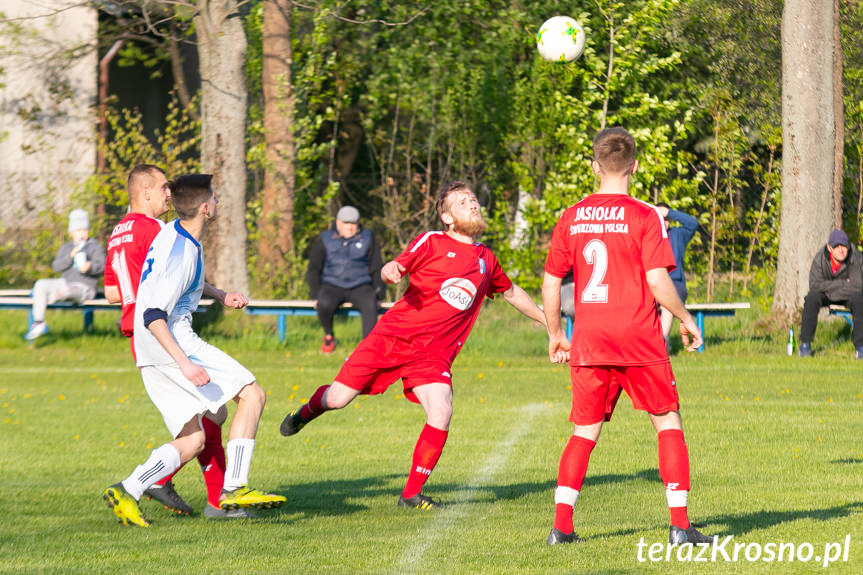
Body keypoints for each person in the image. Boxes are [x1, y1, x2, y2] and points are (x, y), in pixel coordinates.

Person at [280, 181, 548, 509]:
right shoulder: (433, 241)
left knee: (442, 410)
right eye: (463, 203)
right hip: (392, 339)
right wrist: (392, 271)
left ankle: (411, 494)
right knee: (337, 399)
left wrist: (549, 323)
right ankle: (305, 413)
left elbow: (511, 292)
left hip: (432, 355)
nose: (473, 205)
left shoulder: (485, 259)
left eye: (474, 200)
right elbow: (396, 267)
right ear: (447, 217)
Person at [541, 127, 713, 546]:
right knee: (667, 421)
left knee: (585, 432)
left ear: (594, 166)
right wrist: (686, 317)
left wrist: (553, 334)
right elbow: (657, 280)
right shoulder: (643, 214)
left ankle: (561, 528)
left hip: (590, 339)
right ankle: (679, 526)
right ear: (634, 165)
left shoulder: (572, 215)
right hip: (638, 337)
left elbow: (550, 282)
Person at [103, 173, 285, 527]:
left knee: (197, 435)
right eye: (214, 197)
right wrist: (185, 363)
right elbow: (154, 312)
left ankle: (129, 487)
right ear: (205, 208)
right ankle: (233, 488)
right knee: (252, 395)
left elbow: (178, 281)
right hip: (170, 340)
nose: (217, 202)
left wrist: (219, 295)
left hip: (146, 348)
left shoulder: (172, 231)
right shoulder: (181, 248)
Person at [306, 205, 386, 354]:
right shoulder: (325, 239)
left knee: (370, 303)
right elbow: (313, 268)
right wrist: (314, 294)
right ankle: (329, 336)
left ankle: (367, 348)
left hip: (360, 285)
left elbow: (376, 267)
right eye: (346, 223)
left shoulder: (368, 238)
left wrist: (379, 293)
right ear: (338, 223)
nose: (349, 227)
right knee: (323, 303)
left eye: (353, 224)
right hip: (332, 284)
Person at [24, 209, 106, 341]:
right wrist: (70, 256)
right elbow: (56, 267)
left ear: (88, 231)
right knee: (40, 285)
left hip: (85, 287)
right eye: (77, 230)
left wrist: (90, 266)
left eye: (84, 230)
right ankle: (39, 322)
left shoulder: (94, 246)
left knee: (66, 291)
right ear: (71, 232)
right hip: (64, 282)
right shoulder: (67, 248)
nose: (81, 234)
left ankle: (50, 296)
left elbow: (103, 267)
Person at [798, 229, 863, 358]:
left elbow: (858, 286)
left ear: (848, 246)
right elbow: (815, 285)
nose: (841, 250)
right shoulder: (820, 259)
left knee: (859, 300)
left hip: (848, 295)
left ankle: (860, 347)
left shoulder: (856, 257)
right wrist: (843, 283)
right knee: (811, 298)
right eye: (836, 246)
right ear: (829, 248)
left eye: (844, 246)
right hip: (827, 295)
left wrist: (828, 287)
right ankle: (805, 345)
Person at [655, 203, 698, 350]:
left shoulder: (678, 235)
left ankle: (662, 340)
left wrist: (669, 212)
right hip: (653, 284)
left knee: (669, 301)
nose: (664, 222)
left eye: (666, 219)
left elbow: (693, 224)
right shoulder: (649, 236)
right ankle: (650, 342)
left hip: (675, 284)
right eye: (660, 219)